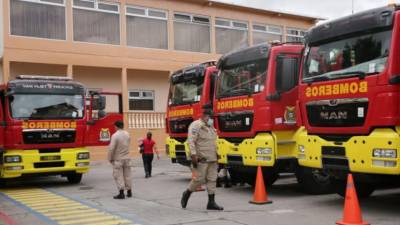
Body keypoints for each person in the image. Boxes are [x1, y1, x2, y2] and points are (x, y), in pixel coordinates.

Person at [180, 109, 224, 211]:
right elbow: (191, 141)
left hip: (212, 158)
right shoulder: (196, 125)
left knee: (212, 179)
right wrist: (193, 155)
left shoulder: (211, 127)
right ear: (205, 116)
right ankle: (187, 193)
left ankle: (211, 203)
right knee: (199, 179)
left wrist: (217, 153)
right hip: (202, 158)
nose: (212, 120)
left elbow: (213, 141)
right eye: (211, 118)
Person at [108, 120, 132, 200]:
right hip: (127, 158)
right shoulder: (127, 134)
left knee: (118, 176)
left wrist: (110, 158)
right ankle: (129, 191)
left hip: (118, 159)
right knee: (127, 175)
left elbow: (111, 148)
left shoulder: (115, 135)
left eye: (114, 126)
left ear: (116, 126)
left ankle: (121, 193)